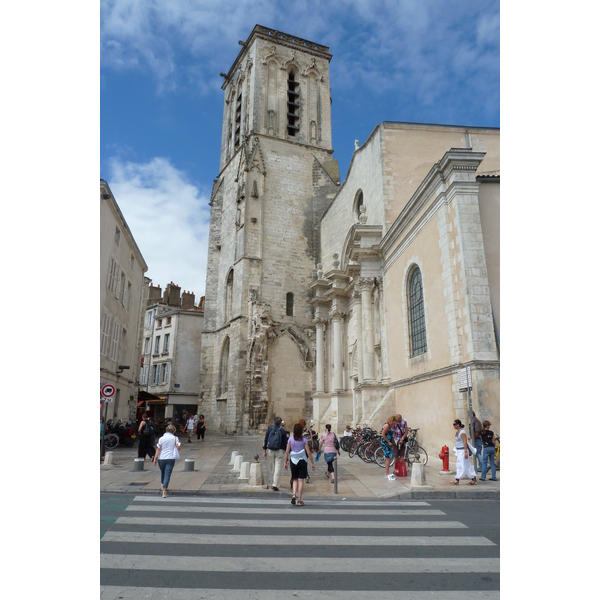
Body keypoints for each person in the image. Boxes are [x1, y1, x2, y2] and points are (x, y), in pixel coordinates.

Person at [284, 422, 315, 506]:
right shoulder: (304, 440)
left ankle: (294, 495)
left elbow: (287, 451)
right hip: (302, 460)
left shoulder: (290, 439)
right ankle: (299, 500)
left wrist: (285, 462)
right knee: (301, 480)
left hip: (293, 460)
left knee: (295, 479)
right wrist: (312, 463)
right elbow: (308, 452)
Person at [152, 423, 181, 498]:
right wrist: (176, 445)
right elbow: (178, 447)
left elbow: (158, 449)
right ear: (173, 431)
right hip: (170, 458)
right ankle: (164, 491)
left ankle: (162, 484)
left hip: (161, 458)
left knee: (163, 472)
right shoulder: (175, 438)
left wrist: (155, 458)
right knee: (167, 474)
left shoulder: (161, 438)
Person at [263, 416, 286, 491]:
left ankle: (274, 482)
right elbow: (285, 443)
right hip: (279, 451)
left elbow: (265, 440)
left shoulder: (269, 430)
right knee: (278, 467)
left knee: (272, 467)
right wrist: (286, 453)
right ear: (280, 423)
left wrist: (264, 450)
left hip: (270, 450)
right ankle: (275, 484)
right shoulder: (282, 431)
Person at [451, 419, 477, 485]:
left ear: (458, 425)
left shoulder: (462, 432)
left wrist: (465, 451)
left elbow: (465, 442)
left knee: (461, 464)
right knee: (466, 464)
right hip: (459, 450)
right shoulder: (457, 432)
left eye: (454, 424)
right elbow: (458, 442)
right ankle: (473, 478)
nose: (453, 426)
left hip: (463, 450)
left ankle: (457, 479)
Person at [381, 415, 396, 480]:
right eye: (394, 422)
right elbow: (383, 434)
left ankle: (387, 472)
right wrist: (388, 442)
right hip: (386, 443)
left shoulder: (389, 426)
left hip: (388, 443)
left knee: (389, 457)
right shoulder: (387, 425)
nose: (394, 423)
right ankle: (386, 473)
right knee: (388, 457)